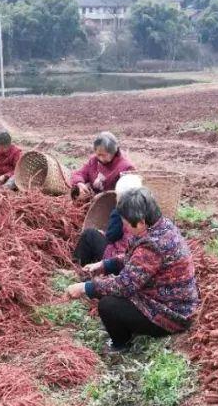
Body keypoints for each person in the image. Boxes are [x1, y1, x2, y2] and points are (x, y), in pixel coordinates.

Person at [66, 188, 199, 353]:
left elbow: (125, 285)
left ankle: (120, 344)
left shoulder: (153, 244)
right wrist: (105, 264)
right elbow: (134, 259)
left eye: (126, 223)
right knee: (107, 289)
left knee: (108, 305)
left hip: (171, 314)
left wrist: (85, 288)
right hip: (165, 297)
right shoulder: (159, 226)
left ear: (141, 222)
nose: (124, 226)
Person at [72, 172, 143, 267]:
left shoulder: (120, 211)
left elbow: (111, 236)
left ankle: (76, 267)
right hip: (137, 258)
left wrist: (103, 234)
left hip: (119, 260)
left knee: (89, 235)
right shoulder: (147, 208)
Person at [69, 131, 136, 202]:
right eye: (98, 155)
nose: (100, 158)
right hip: (93, 201)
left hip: (113, 203)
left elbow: (129, 193)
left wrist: (102, 196)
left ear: (113, 152)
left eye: (104, 155)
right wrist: (80, 183)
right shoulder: (93, 161)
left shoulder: (126, 167)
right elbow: (79, 174)